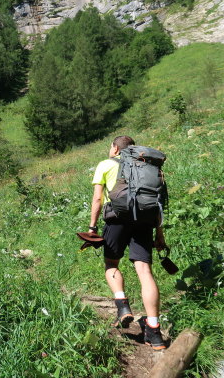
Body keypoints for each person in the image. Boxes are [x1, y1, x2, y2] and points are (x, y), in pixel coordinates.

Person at [88, 135, 168, 351]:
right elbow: (158, 203)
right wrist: (159, 234)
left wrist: (92, 228)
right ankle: (155, 331)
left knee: (111, 264)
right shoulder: (147, 166)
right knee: (144, 271)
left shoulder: (105, 164)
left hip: (116, 219)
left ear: (115, 148)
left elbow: (97, 199)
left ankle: (123, 305)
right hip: (144, 221)